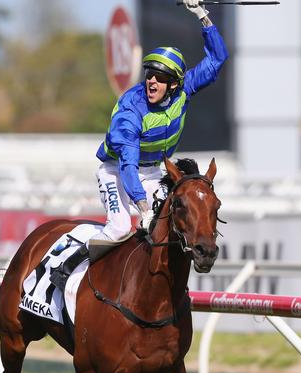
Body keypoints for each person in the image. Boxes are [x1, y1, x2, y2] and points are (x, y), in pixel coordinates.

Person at [50, 0, 228, 289]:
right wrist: (143, 207)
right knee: (121, 228)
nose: (152, 81)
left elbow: (217, 59)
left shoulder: (183, 91)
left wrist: (202, 15)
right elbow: (128, 166)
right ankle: (66, 265)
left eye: (161, 78)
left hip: (152, 171)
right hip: (118, 172)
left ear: (175, 84)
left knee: (168, 222)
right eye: (150, 74)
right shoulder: (131, 112)